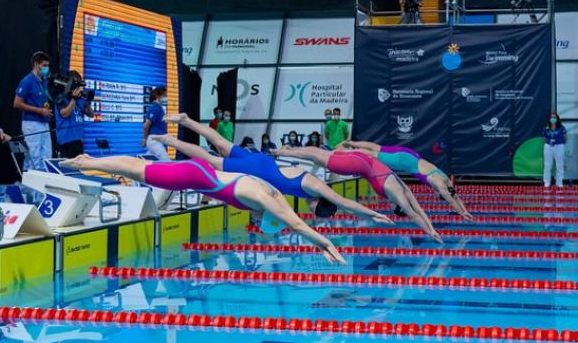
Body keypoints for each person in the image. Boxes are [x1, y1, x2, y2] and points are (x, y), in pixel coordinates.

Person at [62, 154, 345, 264]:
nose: (255, 220)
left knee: (140, 168)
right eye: (260, 222)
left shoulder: (275, 196)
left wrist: (318, 241)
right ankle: (88, 163)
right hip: (196, 177)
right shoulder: (263, 200)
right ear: (267, 215)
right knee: (138, 171)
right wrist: (324, 243)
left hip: (201, 172)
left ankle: (91, 161)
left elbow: (293, 218)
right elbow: (296, 224)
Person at [155, 114, 393, 225]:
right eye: (314, 210)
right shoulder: (315, 189)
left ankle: (186, 121)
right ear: (317, 204)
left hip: (263, 164)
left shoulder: (311, 190)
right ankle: (172, 141)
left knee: (221, 143)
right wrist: (373, 214)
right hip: (260, 170)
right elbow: (344, 203)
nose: (310, 209)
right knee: (213, 161)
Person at [276, 145, 442, 243]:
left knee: (317, 154)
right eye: (393, 208)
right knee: (316, 156)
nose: (389, 205)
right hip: (354, 164)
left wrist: (432, 228)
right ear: (397, 206)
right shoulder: (396, 194)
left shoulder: (404, 188)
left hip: (360, 159)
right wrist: (429, 232)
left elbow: (419, 208)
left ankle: (287, 150)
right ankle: (284, 152)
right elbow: (413, 213)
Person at [337, 140, 474, 221]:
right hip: (404, 162)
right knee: (371, 153)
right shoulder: (439, 185)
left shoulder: (445, 179)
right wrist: (463, 213)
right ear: (441, 192)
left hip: (411, 154)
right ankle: (341, 152)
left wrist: (464, 209)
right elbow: (450, 199)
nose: (436, 195)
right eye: (439, 195)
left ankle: (349, 142)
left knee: (376, 147)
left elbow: (454, 195)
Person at [13, 51, 53, 171]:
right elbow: (17, 103)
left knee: (47, 157)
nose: (47, 68)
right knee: (33, 158)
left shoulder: (43, 81)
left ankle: (43, 187)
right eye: (44, 65)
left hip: (44, 123)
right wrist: (39, 111)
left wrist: (44, 111)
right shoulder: (27, 81)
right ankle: (30, 189)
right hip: (32, 124)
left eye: (48, 65)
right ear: (36, 64)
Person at [55, 70, 94, 158]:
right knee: (65, 170)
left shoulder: (80, 99)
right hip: (65, 142)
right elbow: (64, 114)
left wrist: (87, 102)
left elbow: (91, 114)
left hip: (78, 141)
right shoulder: (61, 97)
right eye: (75, 82)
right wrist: (73, 99)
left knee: (77, 170)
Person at [141, 87, 170, 160]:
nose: (166, 97)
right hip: (154, 141)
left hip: (157, 141)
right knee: (166, 162)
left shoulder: (160, 108)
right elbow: (146, 126)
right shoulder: (155, 108)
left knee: (146, 162)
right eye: (164, 95)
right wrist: (145, 139)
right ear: (157, 96)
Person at [543, 113, 567, 188]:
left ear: (557, 119)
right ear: (549, 119)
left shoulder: (561, 127)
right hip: (548, 147)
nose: (553, 119)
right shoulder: (546, 127)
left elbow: (565, 138)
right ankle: (547, 182)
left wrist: (560, 143)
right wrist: (548, 141)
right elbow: (544, 138)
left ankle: (559, 182)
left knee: (559, 165)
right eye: (551, 117)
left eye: (554, 117)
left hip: (559, 147)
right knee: (547, 165)